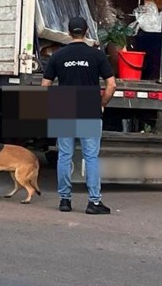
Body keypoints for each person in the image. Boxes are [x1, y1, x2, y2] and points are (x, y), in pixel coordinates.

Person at [41, 16, 116, 215]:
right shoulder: (96, 55)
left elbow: (45, 85)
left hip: (64, 107)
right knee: (91, 156)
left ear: (68, 32)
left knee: (64, 155)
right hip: (88, 108)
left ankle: (65, 200)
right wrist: (102, 103)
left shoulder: (58, 56)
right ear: (86, 32)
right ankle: (94, 202)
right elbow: (111, 85)